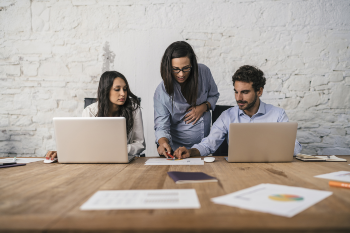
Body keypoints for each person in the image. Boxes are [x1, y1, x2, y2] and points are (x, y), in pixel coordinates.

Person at [173, 65, 302, 159]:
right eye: (236, 91)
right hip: (237, 172)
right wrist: (190, 152)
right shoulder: (227, 116)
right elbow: (209, 144)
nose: (238, 98)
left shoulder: (277, 115)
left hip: (272, 170)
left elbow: (295, 148)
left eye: (245, 92)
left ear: (259, 91)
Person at [45, 71, 145, 160]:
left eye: (125, 89)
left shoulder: (134, 110)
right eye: (117, 89)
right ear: (106, 90)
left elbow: (140, 144)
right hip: (96, 162)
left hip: (125, 160)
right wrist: (62, 153)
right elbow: (84, 144)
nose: (123, 93)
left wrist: (120, 149)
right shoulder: (89, 111)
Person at [154, 41, 220, 157]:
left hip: (204, 148)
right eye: (175, 69)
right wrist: (163, 142)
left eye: (186, 68)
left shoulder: (204, 72)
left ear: (192, 65)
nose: (181, 74)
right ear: (168, 68)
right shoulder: (161, 92)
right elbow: (161, 126)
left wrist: (204, 107)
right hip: (177, 151)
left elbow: (214, 95)